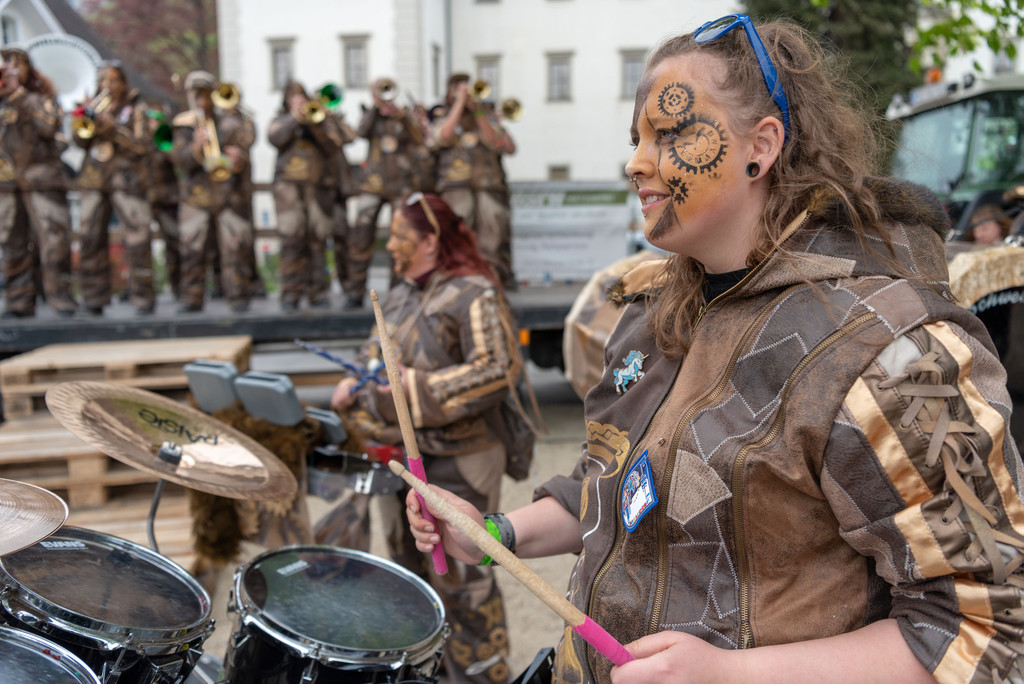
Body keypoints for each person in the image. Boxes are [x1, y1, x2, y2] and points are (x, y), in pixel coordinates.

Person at [407, 15, 1024, 684]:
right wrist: (494, 534)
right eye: (636, 139)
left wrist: (732, 674)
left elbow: (988, 626)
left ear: (762, 145)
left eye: (670, 136)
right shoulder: (655, 314)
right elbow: (614, 487)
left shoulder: (894, 352)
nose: (636, 162)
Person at [327, 192, 521, 684]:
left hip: (464, 457)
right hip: (402, 461)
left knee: (464, 576)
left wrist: (412, 386)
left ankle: (481, 676)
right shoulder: (399, 294)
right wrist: (358, 379)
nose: (390, 245)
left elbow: (498, 370)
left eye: (400, 236)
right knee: (407, 568)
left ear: (431, 240)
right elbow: (375, 350)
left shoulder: (474, 292)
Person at [73, 60, 156, 316]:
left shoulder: (136, 109)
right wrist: (84, 119)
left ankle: (142, 298)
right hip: (95, 179)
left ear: (123, 83)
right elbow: (80, 142)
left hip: (126, 180)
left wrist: (114, 129)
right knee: (90, 238)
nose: (106, 86)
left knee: (137, 239)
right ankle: (93, 298)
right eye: (102, 81)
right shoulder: (93, 109)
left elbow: (143, 145)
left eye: (112, 80)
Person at [0, 45, 77, 318]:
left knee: (54, 241)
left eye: (15, 63)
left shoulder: (41, 99)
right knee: (11, 243)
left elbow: (48, 127)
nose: (8, 68)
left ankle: (61, 299)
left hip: (42, 180)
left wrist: (18, 95)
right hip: (6, 185)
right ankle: (18, 302)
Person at [170, 71, 255, 313]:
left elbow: (245, 151)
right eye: (196, 95)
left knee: (235, 248)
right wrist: (197, 145)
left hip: (228, 194)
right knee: (191, 249)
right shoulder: (183, 124)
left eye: (205, 94)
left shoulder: (230, 122)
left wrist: (238, 159)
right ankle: (191, 298)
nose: (201, 101)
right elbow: (180, 160)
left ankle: (239, 298)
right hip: (196, 195)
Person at [346, 78, 431, 309]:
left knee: (401, 238)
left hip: (401, 185)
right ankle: (355, 291)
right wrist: (375, 106)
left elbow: (419, 138)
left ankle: (398, 291)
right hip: (372, 184)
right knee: (360, 236)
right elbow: (359, 133)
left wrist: (402, 115)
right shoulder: (372, 116)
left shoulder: (403, 117)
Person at [433, 73, 516, 289]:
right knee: (457, 234)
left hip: (488, 184)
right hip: (456, 186)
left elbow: (493, 141)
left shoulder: (485, 114)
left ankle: (491, 284)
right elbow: (444, 136)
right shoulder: (443, 113)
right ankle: (456, 282)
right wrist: (460, 104)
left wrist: (477, 109)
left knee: (492, 236)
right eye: (458, 89)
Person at [268, 80, 345, 311]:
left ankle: (318, 292)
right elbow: (275, 139)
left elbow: (333, 147)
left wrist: (315, 123)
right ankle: (290, 294)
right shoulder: (280, 120)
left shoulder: (320, 119)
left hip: (317, 186)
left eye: (303, 96)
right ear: (287, 100)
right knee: (291, 239)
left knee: (318, 239)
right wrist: (295, 119)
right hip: (288, 187)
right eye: (295, 96)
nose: (300, 100)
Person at [145, 105, 182, 299]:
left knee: (174, 242)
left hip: (166, 200)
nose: (151, 125)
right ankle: (139, 289)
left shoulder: (165, 140)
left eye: (155, 121)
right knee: (138, 244)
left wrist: (163, 141)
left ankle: (177, 285)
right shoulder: (141, 142)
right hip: (144, 199)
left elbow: (176, 160)